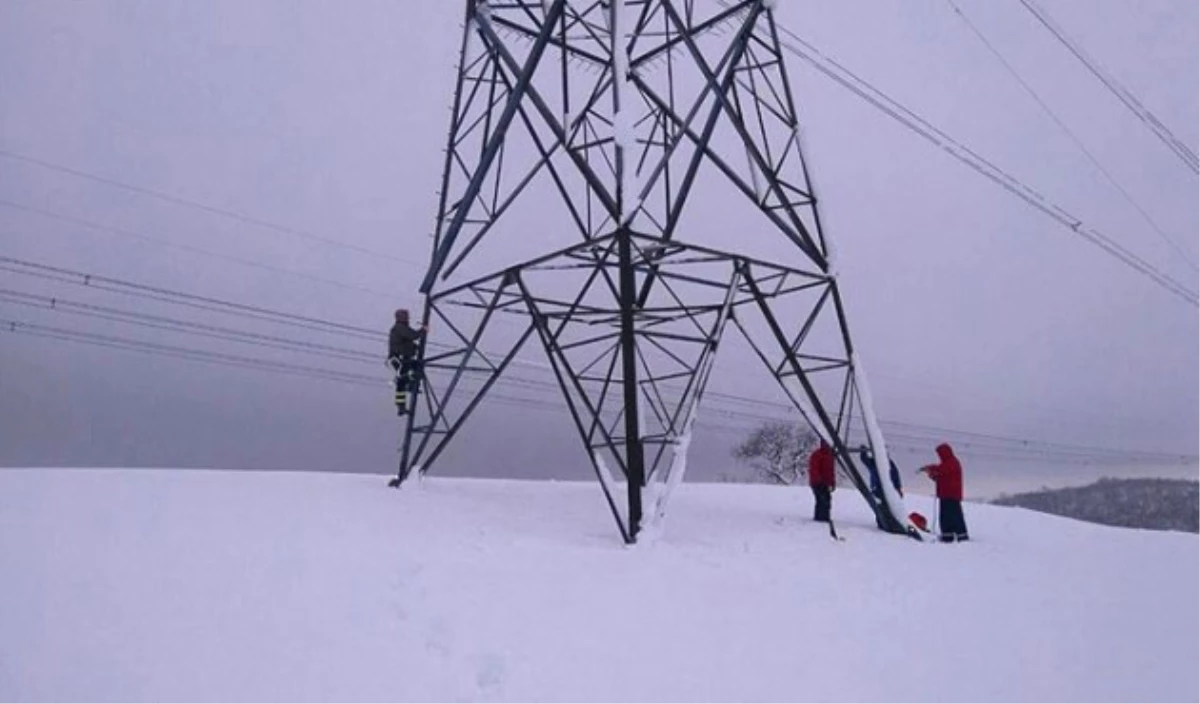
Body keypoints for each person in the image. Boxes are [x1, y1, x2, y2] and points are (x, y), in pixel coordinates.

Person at [919, 443, 969, 542]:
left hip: (950, 494)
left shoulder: (951, 463)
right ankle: (949, 535)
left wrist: (930, 470)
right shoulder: (949, 462)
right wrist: (931, 472)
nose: (939, 456)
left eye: (940, 453)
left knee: (953, 516)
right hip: (947, 494)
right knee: (948, 516)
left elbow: (940, 472)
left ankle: (959, 535)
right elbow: (939, 475)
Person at [387, 308, 426, 417]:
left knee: (403, 380)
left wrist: (414, 347)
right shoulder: (400, 328)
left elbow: (407, 340)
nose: (407, 318)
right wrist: (423, 330)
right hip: (400, 358)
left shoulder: (400, 328)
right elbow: (413, 335)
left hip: (401, 358)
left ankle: (402, 402)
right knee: (412, 373)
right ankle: (411, 386)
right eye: (405, 316)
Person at [859, 445, 903, 529]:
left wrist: (898, 489)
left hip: (886, 489)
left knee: (885, 507)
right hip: (877, 489)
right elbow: (865, 460)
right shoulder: (874, 462)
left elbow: (896, 477)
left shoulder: (889, 464)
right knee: (879, 507)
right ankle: (881, 523)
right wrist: (863, 452)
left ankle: (886, 524)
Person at [808, 440, 836, 523]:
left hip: (825, 483)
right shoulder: (817, 455)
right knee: (822, 500)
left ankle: (824, 517)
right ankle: (820, 519)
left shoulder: (830, 455)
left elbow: (831, 471)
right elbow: (814, 469)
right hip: (818, 483)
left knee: (826, 500)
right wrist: (818, 481)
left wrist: (832, 483)